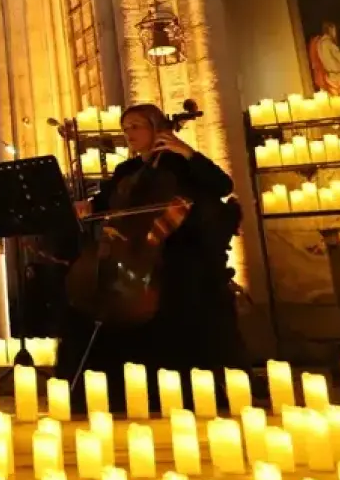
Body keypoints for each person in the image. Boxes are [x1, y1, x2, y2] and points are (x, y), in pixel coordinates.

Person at [55, 103, 244, 412]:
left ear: (157, 128)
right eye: (125, 128)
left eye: (137, 126)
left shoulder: (179, 165)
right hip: (134, 253)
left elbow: (222, 186)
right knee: (87, 303)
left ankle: (179, 387)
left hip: (176, 251)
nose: (129, 133)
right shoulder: (126, 171)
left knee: (178, 286)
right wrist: (85, 206)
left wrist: (187, 152)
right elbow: (104, 204)